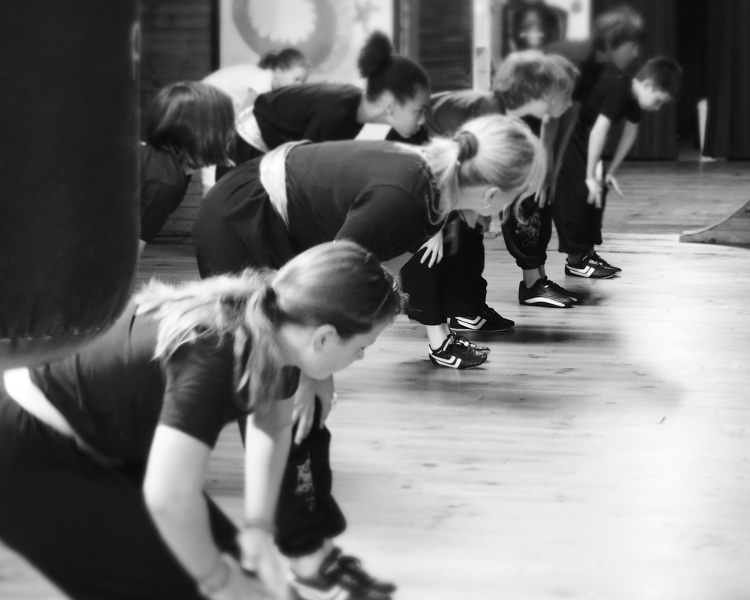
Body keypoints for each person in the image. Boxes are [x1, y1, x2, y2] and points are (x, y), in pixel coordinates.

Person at [193, 114, 546, 597]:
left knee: (306, 401)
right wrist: (318, 373)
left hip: (285, 233)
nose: (512, 212)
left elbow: (374, 278)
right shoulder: (405, 197)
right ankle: (306, 559)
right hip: (243, 222)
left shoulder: (435, 194)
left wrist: (328, 367)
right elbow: (332, 286)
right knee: (283, 396)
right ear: (490, 196)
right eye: (517, 199)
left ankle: (311, 544)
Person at [0, 241, 403, 600]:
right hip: (27, 451)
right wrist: (218, 582)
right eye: (363, 346)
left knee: (246, 577)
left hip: (101, 439)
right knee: (203, 584)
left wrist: (259, 528)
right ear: (325, 338)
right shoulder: (218, 353)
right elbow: (169, 497)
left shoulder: (276, 332)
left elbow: (272, 427)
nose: (361, 358)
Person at [389, 51, 578, 365]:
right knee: (430, 249)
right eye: (565, 95)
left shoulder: (508, 117)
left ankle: (468, 310)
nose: (569, 103)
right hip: (413, 171)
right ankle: (439, 338)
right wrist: (431, 223)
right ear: (541, 93)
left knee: (469, 234)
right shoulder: (483, 114)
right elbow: (435, 165)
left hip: (439, 175)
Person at [553, 57, 682, 278]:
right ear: (649, 86)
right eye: (659, 100)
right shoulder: (621, 89)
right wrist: (590, 176)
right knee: (577, 192)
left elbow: (629, 134)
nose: (658, 108)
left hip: (583, 132)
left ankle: (587, 254)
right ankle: (575, 260)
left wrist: (608, 172)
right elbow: (599, 131)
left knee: (598, 191)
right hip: (568, 127)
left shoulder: (634, 99)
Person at [227, 31, 430, 170]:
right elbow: (302, 170)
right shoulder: (334, 114)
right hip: (245, 150)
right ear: (391, 105)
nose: (422, 120)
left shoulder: (352, 108)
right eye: (418, 111)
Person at [542, 5, 644, 277]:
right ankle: (576, 260)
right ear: (613, 41)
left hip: (568, 121)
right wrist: (552, 158)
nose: (635, 54)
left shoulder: (595, 61)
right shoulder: (575, 56)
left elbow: (574, 108)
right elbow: (551, 109)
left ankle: (585, 252)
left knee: (592, 182)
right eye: (631, 47)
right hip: (542, 118)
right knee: (575, 185)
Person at [139, 81, 235, 253]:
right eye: (227, 126)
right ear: (206, 134)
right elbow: (125, 255)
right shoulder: (163, 181)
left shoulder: (165, 168)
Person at [202, 49, 311, 194]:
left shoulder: (268, 80)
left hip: (213, 104)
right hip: (204, 103)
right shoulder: (263, 83)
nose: (299, 85)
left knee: (218, 157)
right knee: (215, 157)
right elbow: (244, 117)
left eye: (303, 81)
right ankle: (209, 202)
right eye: (296, 79)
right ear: (278, 71)